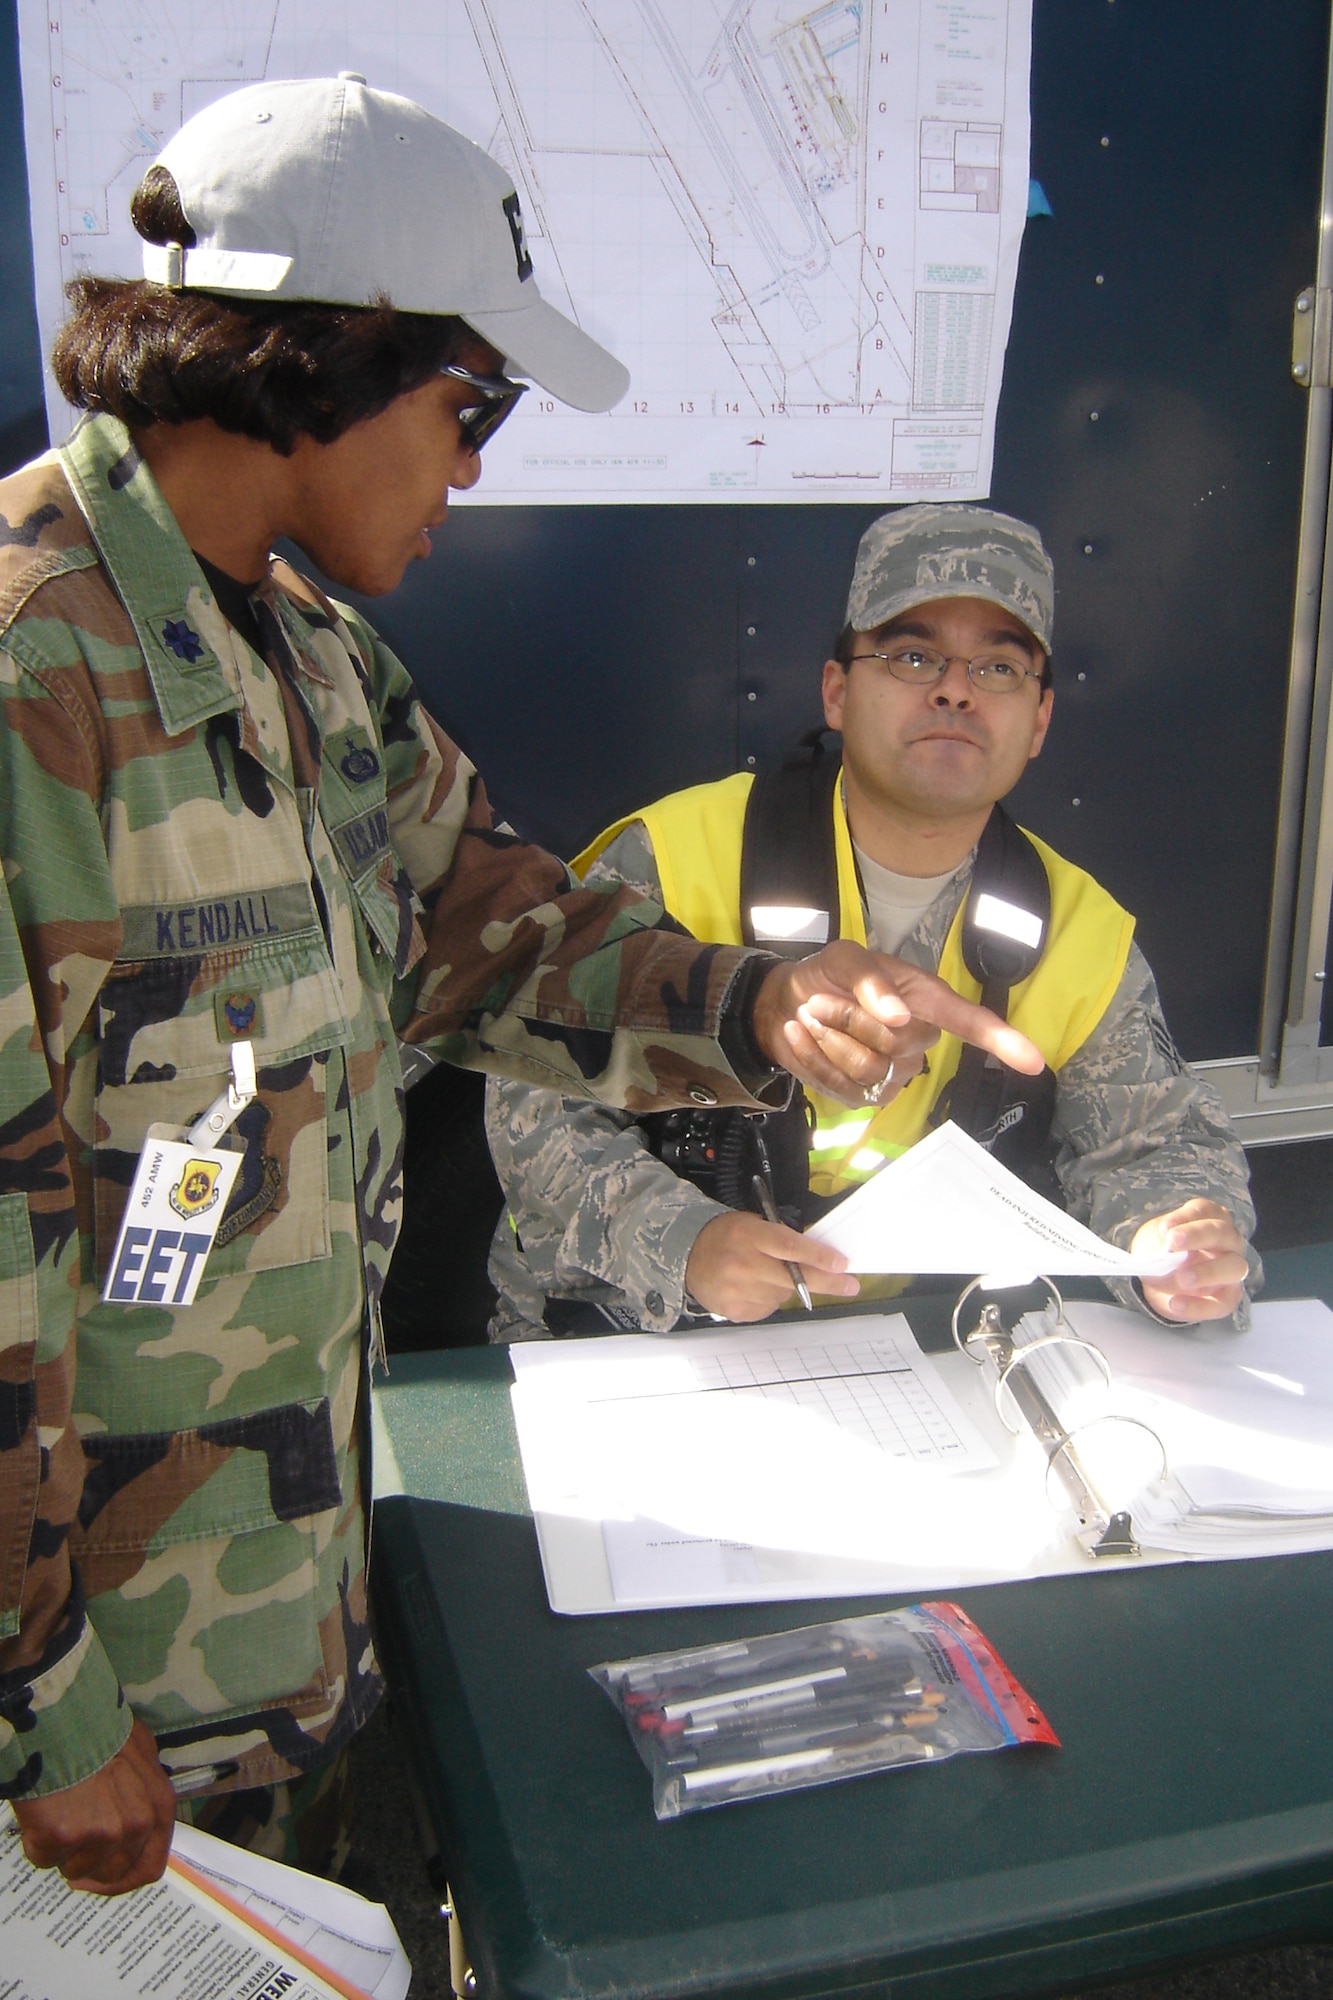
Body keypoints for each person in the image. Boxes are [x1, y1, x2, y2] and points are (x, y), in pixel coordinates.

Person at [0, 85, 1047, 1894]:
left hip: (276, 1632)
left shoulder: (309, 655)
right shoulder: (35, 684)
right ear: (312, 360)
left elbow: (498, 931)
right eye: (465, 404)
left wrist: (756, 1007)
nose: (476, 467)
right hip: (90, 1709)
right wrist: (35, 1691)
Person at [487, 504, 1258, 1336]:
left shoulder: (1079, 929)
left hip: (901, 1340)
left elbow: (1158, 1148)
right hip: (630, 1328)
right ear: (836, 690)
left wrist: (1168, 1244)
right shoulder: (675, 856)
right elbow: (531, 1098)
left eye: (998, 668)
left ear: (1037, 722)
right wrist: (683, 1242)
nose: (954, 688)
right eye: (912, 653)